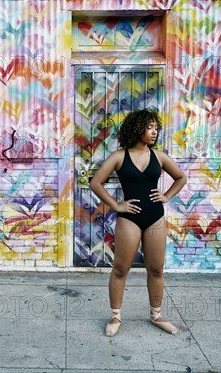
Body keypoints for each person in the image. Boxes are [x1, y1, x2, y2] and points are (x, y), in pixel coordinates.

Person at [89, 108, 187, 336]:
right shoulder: (119, 156)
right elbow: (95, 183)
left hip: (155, 218)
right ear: (137, 128)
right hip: (129, 219)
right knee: (121, 269)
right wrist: (116, 205)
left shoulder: (160, 156)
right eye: (149, 127)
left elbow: (181, 177)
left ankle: (156, 315)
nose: (154, 132)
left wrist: (167, 196)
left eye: (156, 128)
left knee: (156, 269)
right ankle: (115, 317)